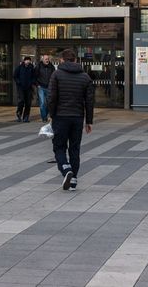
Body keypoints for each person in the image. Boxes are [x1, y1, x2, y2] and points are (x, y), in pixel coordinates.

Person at [47, 48, 94, 191]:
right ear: (76, 60)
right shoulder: (85, 77)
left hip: (60, 117)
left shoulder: (56, 74)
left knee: (59, 147)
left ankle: (66, 169)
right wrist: (89, 121)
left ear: (62, 60)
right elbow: (89, 101)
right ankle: (73, 181)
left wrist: (51, 115)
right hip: (77, 118)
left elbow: (51, 97)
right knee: (75, 148)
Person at [13, 56, 36, 122]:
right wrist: (18, 82)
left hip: (29, 88)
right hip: (21, 87)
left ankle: (26, 117)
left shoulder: (31, 68)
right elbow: (15, 76)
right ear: (24, 61)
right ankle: (19, 113)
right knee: (21, 101)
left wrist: (32, 82)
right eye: (27, 60)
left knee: (28, 103)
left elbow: (34, 77)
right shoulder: (20, 67)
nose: (28, 61)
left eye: (29, 60)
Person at [35, 54, 56, 122]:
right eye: (46, 59)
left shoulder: (51, 67)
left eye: (48, 59)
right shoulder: (38, 66)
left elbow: (54, 77)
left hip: (49, 87)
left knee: (48, 103)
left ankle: (45, 115)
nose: (47, 60)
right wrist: (37, 84)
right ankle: (44, 118)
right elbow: (35, 76)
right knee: (42, 103)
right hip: (41, 87)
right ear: (42, 60)